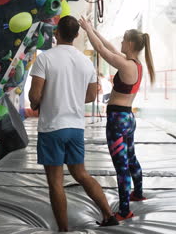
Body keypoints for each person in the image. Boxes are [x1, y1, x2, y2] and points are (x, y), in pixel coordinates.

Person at [28, 16, 119, 231]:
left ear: (56, 33)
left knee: (56, 182)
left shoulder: (45, 59)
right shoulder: (85, 61)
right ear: (77, 35)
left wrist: (43, 100)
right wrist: (71, 96)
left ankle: (63, 230)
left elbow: (34, 96)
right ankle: (108, 215)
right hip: (76, 127)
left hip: (52, 128)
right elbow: (89, 96)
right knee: (81, 174)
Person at [78, 17, 155, 221]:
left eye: (123, 40)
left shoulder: (126, 65)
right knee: (131, 159)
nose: (120, 43)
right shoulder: (135, 64)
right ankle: (137, 193)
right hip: (128, 118)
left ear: (130, 43)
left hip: (117, 120)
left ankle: (124, 210)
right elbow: (109, 46)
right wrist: (92, 29)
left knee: (121, 166)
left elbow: (102, 51)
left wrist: (87, 30)